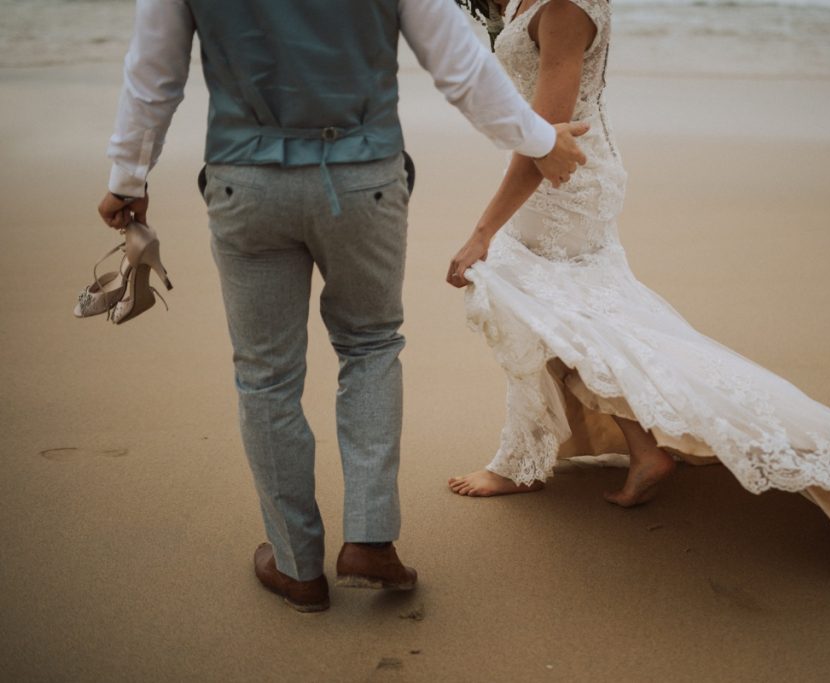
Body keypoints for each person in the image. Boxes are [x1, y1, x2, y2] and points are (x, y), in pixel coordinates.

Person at [445, 0, 830, 625]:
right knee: (572, 320)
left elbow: (546, 140)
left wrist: (481, 232)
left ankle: (572, 458)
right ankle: (631, 452)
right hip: (577, 174)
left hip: (565, 180)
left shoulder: (561, 4)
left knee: (540, 302)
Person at [97, 0, 591, 613]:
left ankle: (296, 565)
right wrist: (540, 139)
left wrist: (128, 178)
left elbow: (154, 74)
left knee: (266, 375)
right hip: (364, 179)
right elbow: (459, 69)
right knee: (371, 348)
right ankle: (369, 541)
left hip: (245, 181)